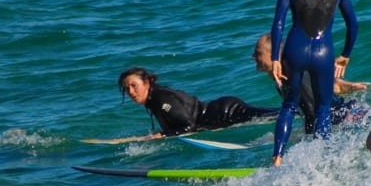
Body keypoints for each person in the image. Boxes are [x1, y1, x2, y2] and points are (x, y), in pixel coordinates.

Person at [270, 0, 359, 166]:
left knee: (289, 106)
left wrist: (274, 59)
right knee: (323, 108)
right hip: (323, 53)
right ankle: (323, 162)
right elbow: (353, 24)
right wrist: (345, 55)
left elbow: (278, 22)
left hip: (294, 51)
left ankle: (277, 158)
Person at [118, 67, 279, 140]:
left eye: (134, 85)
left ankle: (299, 110)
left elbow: (189, 126)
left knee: (273, 115)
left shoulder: (160, 99)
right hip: (220, 111)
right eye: (127, 88)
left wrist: (161, 135)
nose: (131, 92)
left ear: (146, 83)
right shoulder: (155, 99)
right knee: (273, 114)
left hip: (225, 113)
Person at [253, 32, 368, 134]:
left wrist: (349, 86)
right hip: (336, 121)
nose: (253, 57)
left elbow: (328, 87)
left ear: (273, 54)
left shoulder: (293, 70)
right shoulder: (281, 76)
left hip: (346, 119)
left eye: (258, 53)